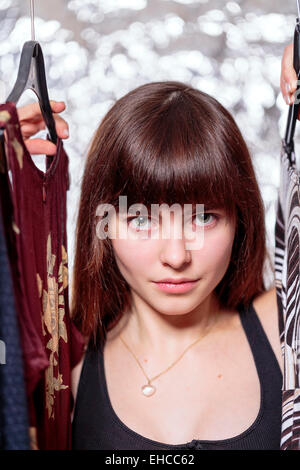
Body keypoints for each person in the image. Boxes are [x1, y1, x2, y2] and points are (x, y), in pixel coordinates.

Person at [14, 42, 297, 450]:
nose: (177, 256)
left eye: (204, 217)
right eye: (141, 220)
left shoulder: (285, 328)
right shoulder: (63, 360)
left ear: (241, 219)